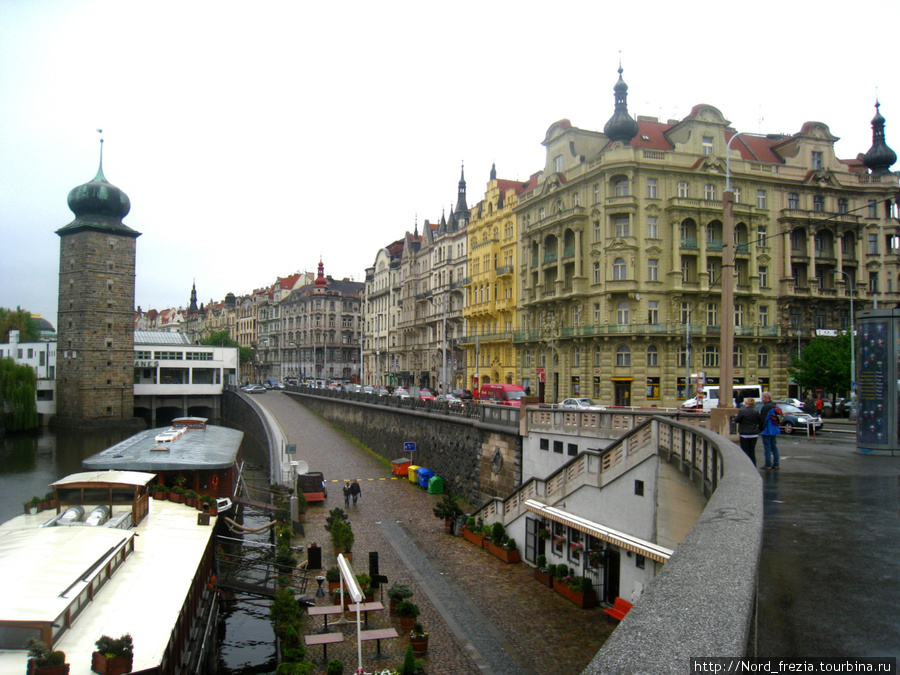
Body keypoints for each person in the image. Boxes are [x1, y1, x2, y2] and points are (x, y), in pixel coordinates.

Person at [734, 397, 761, 466]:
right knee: (752, 451)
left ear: (746, 403)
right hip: (754, 433)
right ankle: (753, 465)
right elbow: (759, 421)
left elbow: (736, 420)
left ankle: (746, 465)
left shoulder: (742, 411)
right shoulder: (756, 411)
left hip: (744, 433)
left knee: (745, 451)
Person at [759, 391, 780, 470]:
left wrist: (760, 428)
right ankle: (776, 464)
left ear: (766, 398)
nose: (762, 399)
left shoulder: (766, 407)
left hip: (767, 430)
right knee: (774, 447)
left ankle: (768, 464)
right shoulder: (774, 406)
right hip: (774, 429)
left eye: (763, 397)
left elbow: (763, 419)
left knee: (767, 447)